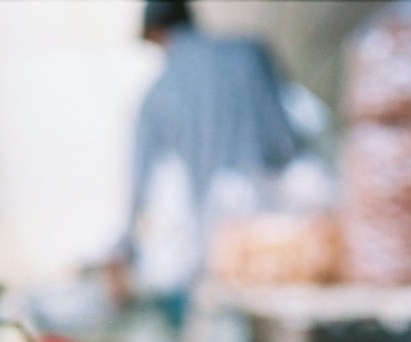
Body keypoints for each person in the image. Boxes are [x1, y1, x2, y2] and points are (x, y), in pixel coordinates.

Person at [107, 1, 300, 308]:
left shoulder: (158, 94)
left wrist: (125, 247)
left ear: (156, 34)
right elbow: (286, 141)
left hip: (219, 245)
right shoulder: (250, 53)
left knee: (226, 337)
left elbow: (140, 185)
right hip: (285, 237)